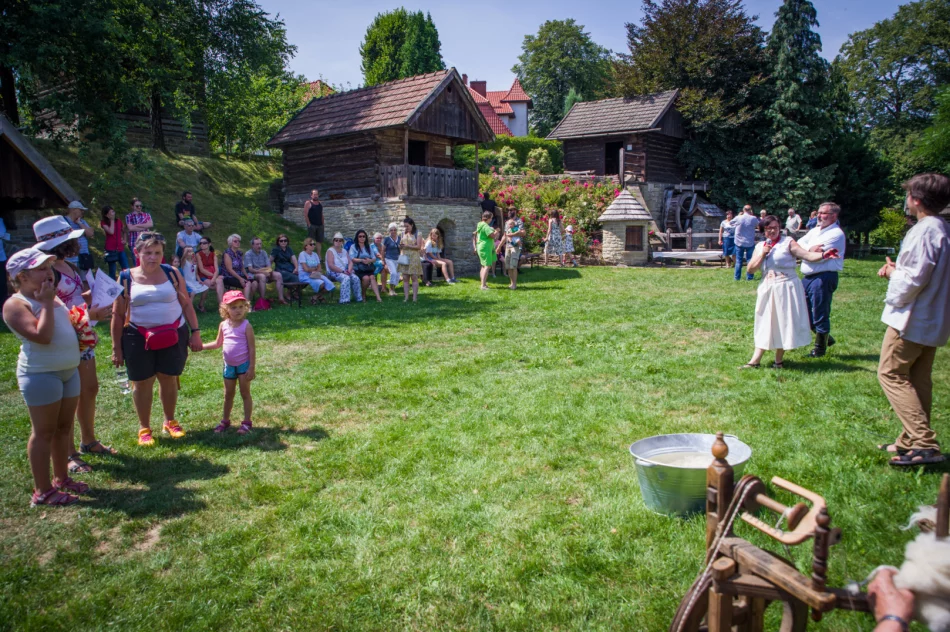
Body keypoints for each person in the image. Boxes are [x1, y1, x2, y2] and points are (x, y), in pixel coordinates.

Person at [876, 173, 950, 467]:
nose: (906, 200)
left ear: (916, 199)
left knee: (891, 374)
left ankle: (924, 443)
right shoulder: (942, 228)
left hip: (912, 319)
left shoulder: (924, 231)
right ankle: (908, 441)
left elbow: (912, 280)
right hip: (932, 318)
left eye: (908, 196)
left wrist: (893, 273)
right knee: (918, 380)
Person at [3, 249, 87, 506]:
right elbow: (42, 336)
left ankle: (61, 478)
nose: (48, 272)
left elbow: (62, 327)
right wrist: (49, 302)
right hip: (41, 374)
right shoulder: (16, 304)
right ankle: (42, 491)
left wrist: (88, 318)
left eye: (48, 267)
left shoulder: (50, 296)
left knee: (64, 428)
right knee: (43, 432)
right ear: (22, 276)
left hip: (68, 370)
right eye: (40, 269)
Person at [35, 216, 116, 475]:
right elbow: (48, 307)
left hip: (82, 335)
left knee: (89, 389)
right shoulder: (48, 271)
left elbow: (71, 297)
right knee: (69, 397)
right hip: (64, 337)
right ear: (60, 242)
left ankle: (88, 441)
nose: (77, 241)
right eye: (72, 238)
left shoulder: (67, 265)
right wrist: (88, 313)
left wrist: (91, 298)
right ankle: (68, 452)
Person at [111, 232, 202, 446]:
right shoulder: (125, 277)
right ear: (137, 253)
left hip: (173, 333)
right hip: (137, 336)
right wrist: (116, 347)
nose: (153, 257)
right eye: (148, 253)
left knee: (169, 378)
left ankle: (170, 421)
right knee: (142, 383)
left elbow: (186, 304)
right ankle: (144, 427)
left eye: (158, 253)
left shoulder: (172, 273)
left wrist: (195, 331)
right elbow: (117, 315)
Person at [739, 215, 838, 369]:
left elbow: (807, 255)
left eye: (775, 227)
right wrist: (763, 253)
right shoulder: (760, 246)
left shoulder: (788, 243)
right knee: (764, 323)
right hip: (767, 287)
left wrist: (824, 255)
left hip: (786, 286)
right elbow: (751, 269)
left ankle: (777, 361)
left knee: (782, 323)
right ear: (763, 230)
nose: (772, 231)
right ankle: (755, 360)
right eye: (768, 228)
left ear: (779, 228)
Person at [797, 202, 847, 357]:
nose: (819, 215)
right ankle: (827, 339)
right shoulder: (815, 230)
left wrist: (807, 251)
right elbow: (798, 245)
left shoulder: (836, 234)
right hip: (808, 277)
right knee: (803, 311)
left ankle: (819, 349)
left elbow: (816, 259)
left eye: (823, 213)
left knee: (820, 312)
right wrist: (810, 250)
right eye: (818, 212)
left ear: (833, 215)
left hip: (823, 277)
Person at [204, 291, 256, 435]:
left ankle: (246, 422)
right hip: (229, 366)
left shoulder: (246, 326)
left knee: (245, 392)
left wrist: (251, 367)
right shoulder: (223, 325)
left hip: (243, 365)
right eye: (233, 307)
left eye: (241, 306)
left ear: (246, 307)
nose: (238, 310)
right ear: (225, 309)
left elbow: (252, 348)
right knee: (228, 394)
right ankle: (225, 420)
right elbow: (217, 343)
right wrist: (201, 346)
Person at [244, 236, 288, 306]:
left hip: (265, 272)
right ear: (252, 245)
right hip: (253, 274)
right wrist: (263, 272)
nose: (259, 246)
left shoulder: (263, 253)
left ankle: (281, 299)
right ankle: (262, 300)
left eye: (260, 244)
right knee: (262, 276)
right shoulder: (248, 254)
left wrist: (269, 272)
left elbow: (269, 266)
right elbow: (250, 269)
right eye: (257, 244)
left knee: (278, 275)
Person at [326, 232, 363, 304]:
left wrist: (349, 270)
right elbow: (331, 265)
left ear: (342, 242)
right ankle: (344, 300)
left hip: (345, 271)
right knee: (346, 278)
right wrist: (343, 271)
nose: (338, 242)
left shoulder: (344, 251)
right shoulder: (330, 251)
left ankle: (358, 298)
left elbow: (350, 262)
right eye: (336, 240)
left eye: (340, 240)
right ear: (333, 241)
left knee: (355, 278)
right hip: (334, 272)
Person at [220, 234, 256, 302]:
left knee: (255, 283)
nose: (238, 243)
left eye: (239, 241)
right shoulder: (227, 253)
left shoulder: (239, 253)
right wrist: (240, 279)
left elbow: (241, 267)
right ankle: (246, 304)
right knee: (247, 284)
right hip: (229, 276)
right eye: (235, 241)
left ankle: (247, 301)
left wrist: (246, 275)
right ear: (230, 243)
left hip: (239, 275)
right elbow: (229, 269)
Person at [349, 229, 382, 302]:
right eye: (360, 236)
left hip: (368, 267)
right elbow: (352, 258)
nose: (362, 238)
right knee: (366, 278)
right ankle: (363, 294)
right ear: (357, 238)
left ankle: (378, 297)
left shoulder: (368, 247)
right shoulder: (353, 247)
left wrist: (369, 260)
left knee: (372, 277)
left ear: (365, 238)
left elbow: (374, 258)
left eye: (363, 236)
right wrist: (362, 260)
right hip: (358, 268)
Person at [297, 238, 333, 304]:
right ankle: (320, 297)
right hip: (305, 275)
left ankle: (315, 297)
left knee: (330, 284)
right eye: (311, 244)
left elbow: (319, 268)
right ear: (306, 246)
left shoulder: (315, 254)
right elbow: (306, 269)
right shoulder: (302, 254)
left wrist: (315, 269)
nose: (313, 245)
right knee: (322, 284)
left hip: (316, 274)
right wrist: (314, 269)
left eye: (314, 244)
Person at [496, 211, 526, 290]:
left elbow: (523, 233)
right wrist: (499, 246)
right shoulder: (507, 223)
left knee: (513, 265)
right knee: (508, 266)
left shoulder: (519, 221)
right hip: (508, 246)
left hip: (515, 246)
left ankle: (514, 284)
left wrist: (512, 235)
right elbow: (505, 235)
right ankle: (511, 283)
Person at [64, 201, 95, 276]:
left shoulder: (82, 221)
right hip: (70, 258)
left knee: (86, 280)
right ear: (74, 210)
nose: (82, 212)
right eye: (80, 210)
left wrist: (79, 223)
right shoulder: (64, 221)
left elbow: (90, 233)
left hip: (84, 256)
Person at [731, 205, 760, 281]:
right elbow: (759, 226)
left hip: (739, 242)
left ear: (743, 210)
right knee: (750, 260)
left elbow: (731, 223)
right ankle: (749, 277)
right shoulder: (753, 218)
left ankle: (737, 278)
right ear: (750, 210)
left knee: (738, 261)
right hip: (750, 242)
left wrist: (738, 216)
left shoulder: (739, 217)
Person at [195, 237, 223, 312]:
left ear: (209, 244)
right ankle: (200, 304)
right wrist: (213, 277)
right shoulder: (198, 254)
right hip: (203, 275)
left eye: (204, 243)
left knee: (219, 282)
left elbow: (217, 269)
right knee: (215, 286)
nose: (202, 245)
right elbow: (201, 270)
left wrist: (214, 278)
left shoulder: (213, 254)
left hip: (213, 274)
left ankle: (221, 306)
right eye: (200, 243)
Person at [100, 205, 129, 279]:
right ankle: (113, 287)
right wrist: (112, 220)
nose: (113, 213)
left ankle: (127, 284)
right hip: (110, 249)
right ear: (106, 215)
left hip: (120, 248)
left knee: (126, 268)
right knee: (112, 271)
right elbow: (111, 231)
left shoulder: (118, 221)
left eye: (113, 211)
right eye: (111, 212)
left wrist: (125, 239)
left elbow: (124, 231)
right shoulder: (103, 223)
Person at [397, 218, 423, 302]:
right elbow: (401, 245)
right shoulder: (402, 233)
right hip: (405, 257)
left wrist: (408, 246)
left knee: (414, 277)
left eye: (407, 226)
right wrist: (401, 246)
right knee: (405, 277)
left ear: (412, 225)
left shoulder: (418, 233)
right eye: (404, 226)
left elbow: (418, 247)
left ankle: (414, 297)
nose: (406, 228)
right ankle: (406, 297)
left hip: (414, 257)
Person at [473, 210, 500, 290]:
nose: (491, 219)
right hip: (485, 247)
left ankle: (483, 283)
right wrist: (496, 231)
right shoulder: (485, 226)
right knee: (487, 266)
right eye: (491, 218)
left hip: (481, 246)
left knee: (484, 265)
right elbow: (492, 236)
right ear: (488, 218)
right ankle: (483, 285)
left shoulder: (480, 224)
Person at [381, 222, 401, 296]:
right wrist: (383, 260)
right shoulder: (387, 239)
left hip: (398, 258)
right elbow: (383, 250)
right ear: (389, 231)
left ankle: (393, 289)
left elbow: (402, 249)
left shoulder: (400, 238)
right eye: (391, 230)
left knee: (398, 274)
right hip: (389, 258)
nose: (393, 231)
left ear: (396, 230)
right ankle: (391, 290)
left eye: (394, 230)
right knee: (393, 273)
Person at [304, 189, 324, 257]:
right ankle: (309, 255)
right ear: (311, 195)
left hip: (320, 225)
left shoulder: (320, 203)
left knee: (319, 241)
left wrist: (323, 223)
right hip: (312, 225)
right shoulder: (308, 203)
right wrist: (309, 224)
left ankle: (319, 256)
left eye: (317, 194)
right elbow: (305, 214)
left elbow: (321, 214)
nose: (315, 196)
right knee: (310, 241)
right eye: (314, 194)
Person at [0, 215, 8, 305]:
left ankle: (2, 303)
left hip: (0, 258)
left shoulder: (0, 220)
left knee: (1, 281)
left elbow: (1, 233)